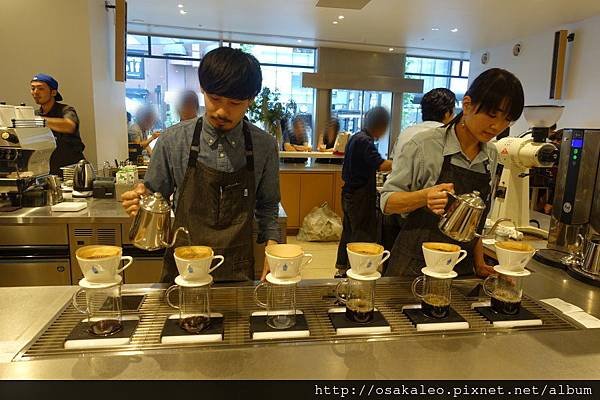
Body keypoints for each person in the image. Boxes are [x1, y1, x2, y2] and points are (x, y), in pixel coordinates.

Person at [121, 47, 281, 283]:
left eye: (235, 102)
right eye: (214, 98)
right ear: (203, 90)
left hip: (237, 267)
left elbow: (268, 206)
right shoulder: (173, 140)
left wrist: (273, 248)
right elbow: (154, 196)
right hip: (183, 269)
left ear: (250, 100)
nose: (222, 111)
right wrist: (140, 203)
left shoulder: (264, 145)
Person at [381, 68, 524, 278]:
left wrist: (480, 263)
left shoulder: (491, 156)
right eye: (492, 115)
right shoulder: (423, 145)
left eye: (507, 120)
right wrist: (424, 197)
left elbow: (475, 221)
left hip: (461, 267)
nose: (497, 126)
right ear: (467, 105)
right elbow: (387, 202)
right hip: (415, 265)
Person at [335, 107, 393, 277]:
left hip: (348, 193)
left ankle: (342, 268)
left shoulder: (356, 137)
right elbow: (381, 165)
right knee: (360, 233)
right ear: (380, 126)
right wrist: (402, 162)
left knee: (349, 231)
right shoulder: (365, 141)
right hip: (359, 195)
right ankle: (356, 270)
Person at [30, 73, 85, 176]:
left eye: (40, 89)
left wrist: (39, 121)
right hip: (48, 171)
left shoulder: (66, 110)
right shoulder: (35, 115)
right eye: (33, 88)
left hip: (71, 170)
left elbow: (69, 126)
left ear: (53, 92)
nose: (35, 92)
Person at [391, 88, 456, 158]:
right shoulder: (447, 136)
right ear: (447, 113)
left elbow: (393, 162)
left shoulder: (406, 132)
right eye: (454, 111)